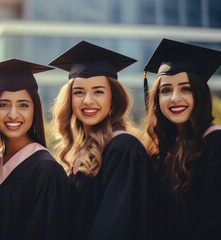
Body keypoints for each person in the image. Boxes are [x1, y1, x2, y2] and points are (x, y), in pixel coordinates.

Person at [143, 38, 221, 240]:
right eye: (166, 90)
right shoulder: (161, 150)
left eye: (185, 88)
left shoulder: (220, 146)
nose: (175, 97)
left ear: (200, 94)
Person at [50, 41, 153, 240]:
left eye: (98, 91)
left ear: (113, 98)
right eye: (79, 92)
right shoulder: (81, 151)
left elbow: (115, 227)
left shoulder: (123, 148)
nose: (88, 100)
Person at [0, 59, 72, 240]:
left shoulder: (46, 172)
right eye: (4, 104)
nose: (13, 114)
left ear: (35, 110)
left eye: (23, 105)